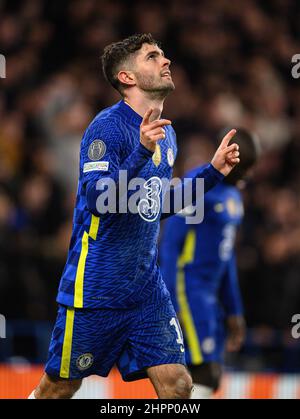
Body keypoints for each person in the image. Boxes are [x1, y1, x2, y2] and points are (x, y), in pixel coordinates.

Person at [28, 33, 240, 399]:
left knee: (178, 385)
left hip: (145, 288)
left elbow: (156, 206)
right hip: (95, 288)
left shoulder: (165, 135)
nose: (166, 60)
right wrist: (141, 151)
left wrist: (213, 173)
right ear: (127, 77)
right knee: (59, 388)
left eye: (162, 54)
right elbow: (98, 198)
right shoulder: (107, 128)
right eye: (153, 56)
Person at [159, 128, 259, 398]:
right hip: (187, 289)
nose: (248, 175)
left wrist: (234, 309)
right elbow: (170, 246)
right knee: (204, 372)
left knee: (204, 376)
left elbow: (226, 257)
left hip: (210, 298)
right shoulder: (198, 185)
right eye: (245, 168)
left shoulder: (234, 198)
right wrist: (169, 302)